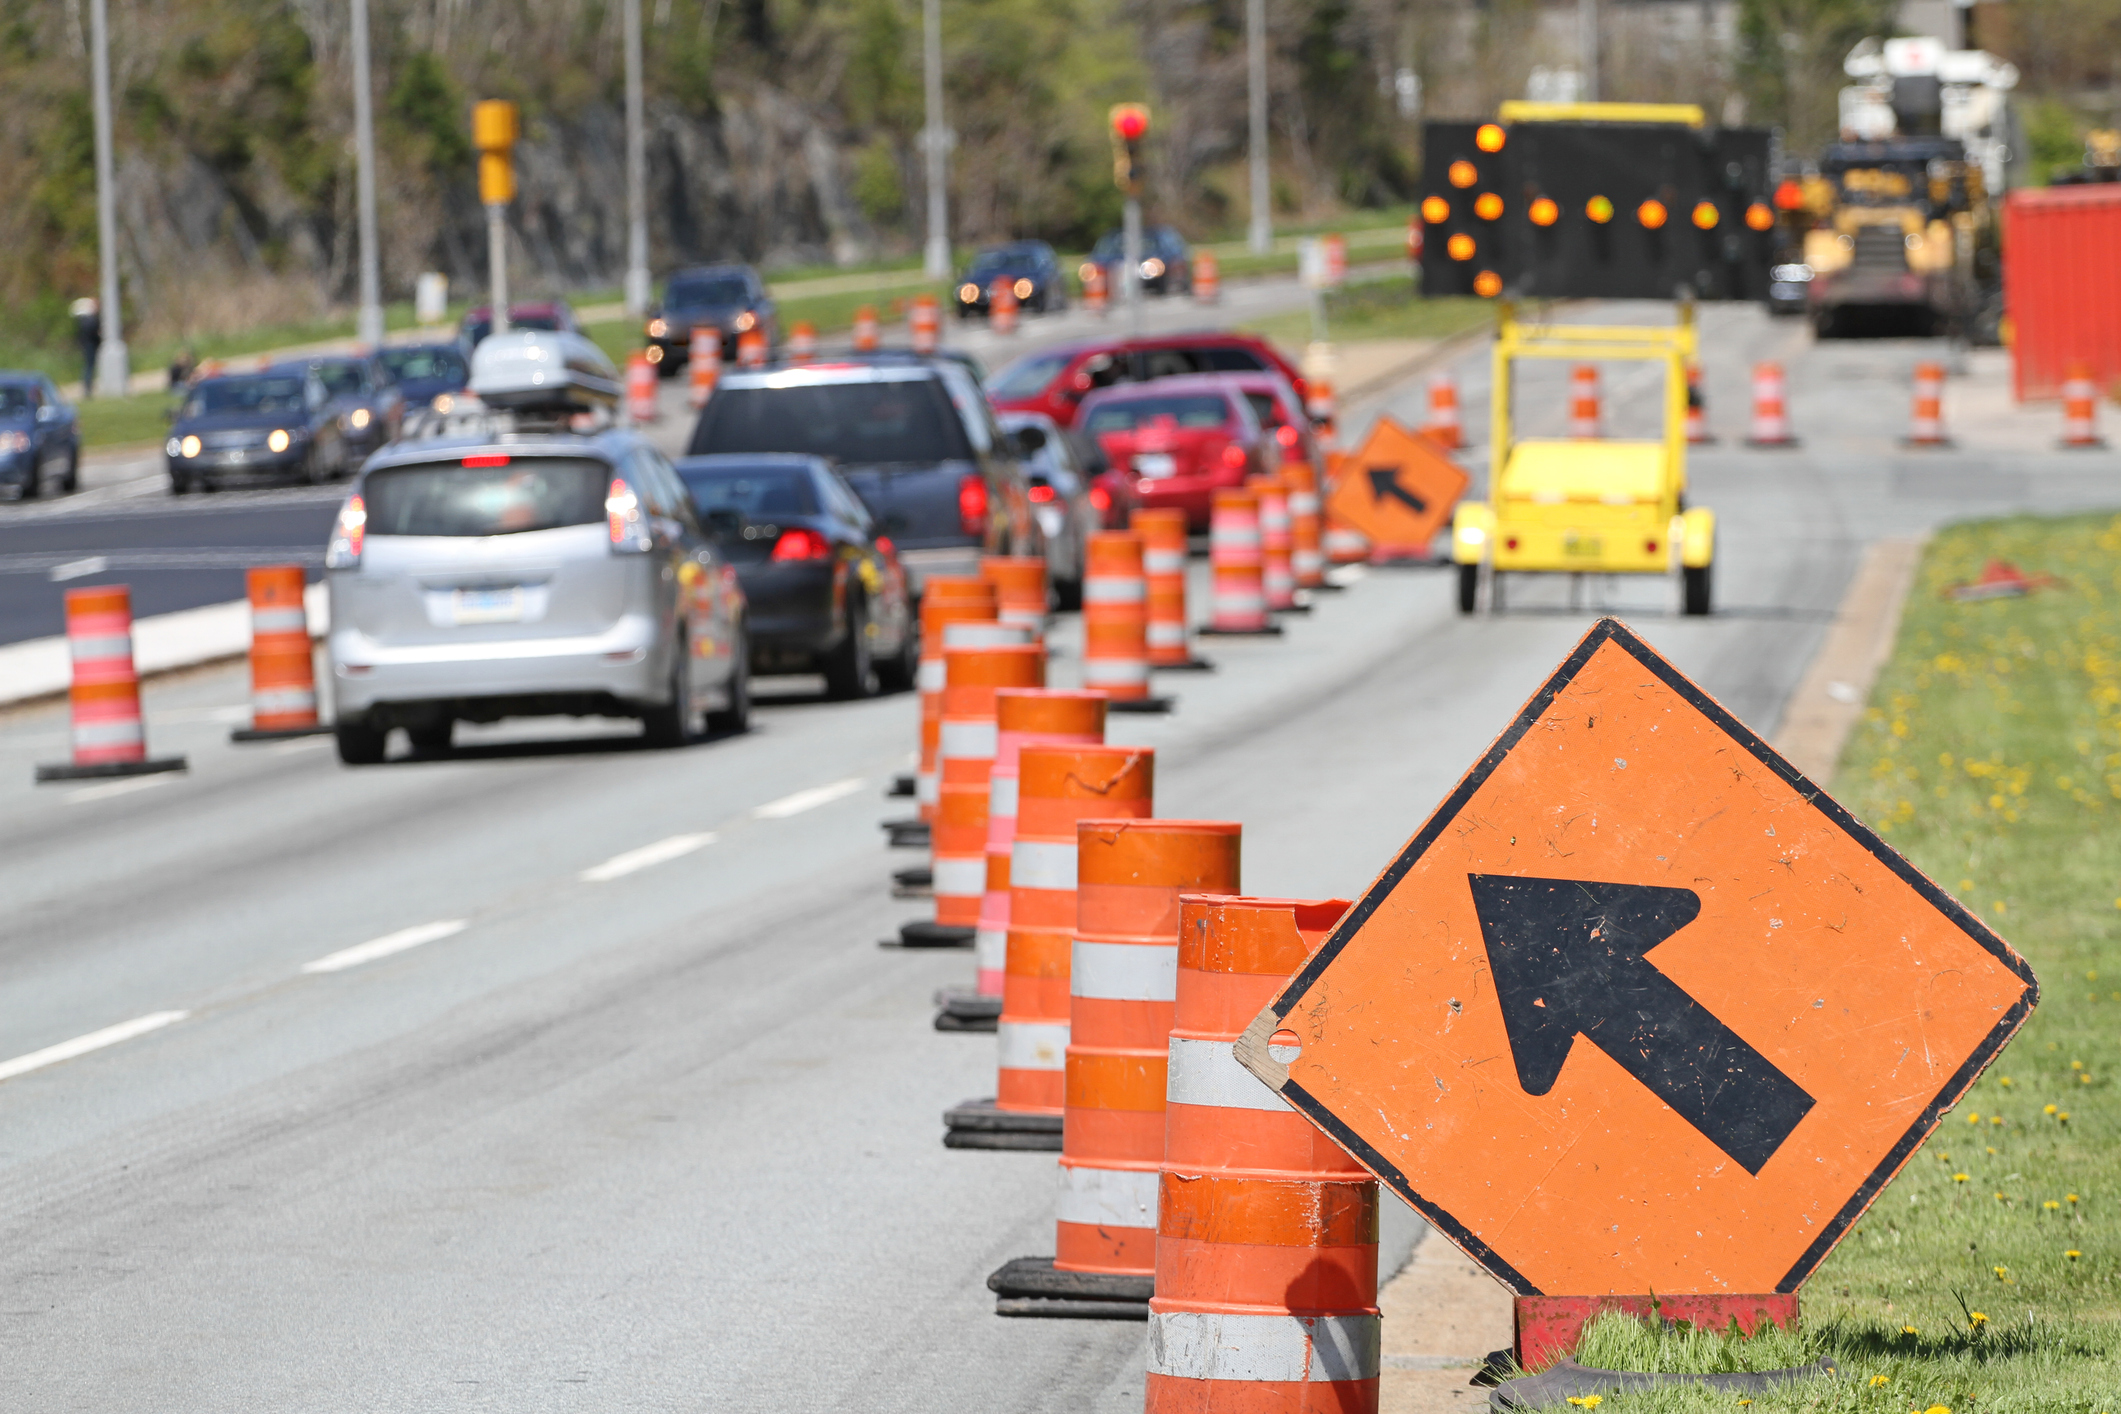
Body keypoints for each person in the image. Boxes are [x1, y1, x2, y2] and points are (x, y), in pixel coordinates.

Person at [71, 297, 101, 395]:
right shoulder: (89, 320)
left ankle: (88, 387)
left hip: (87, 346)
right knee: (89, 367)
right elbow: (92, 333)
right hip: (90, 346)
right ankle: (87, 388)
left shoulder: (84, 320)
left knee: (89, 366)